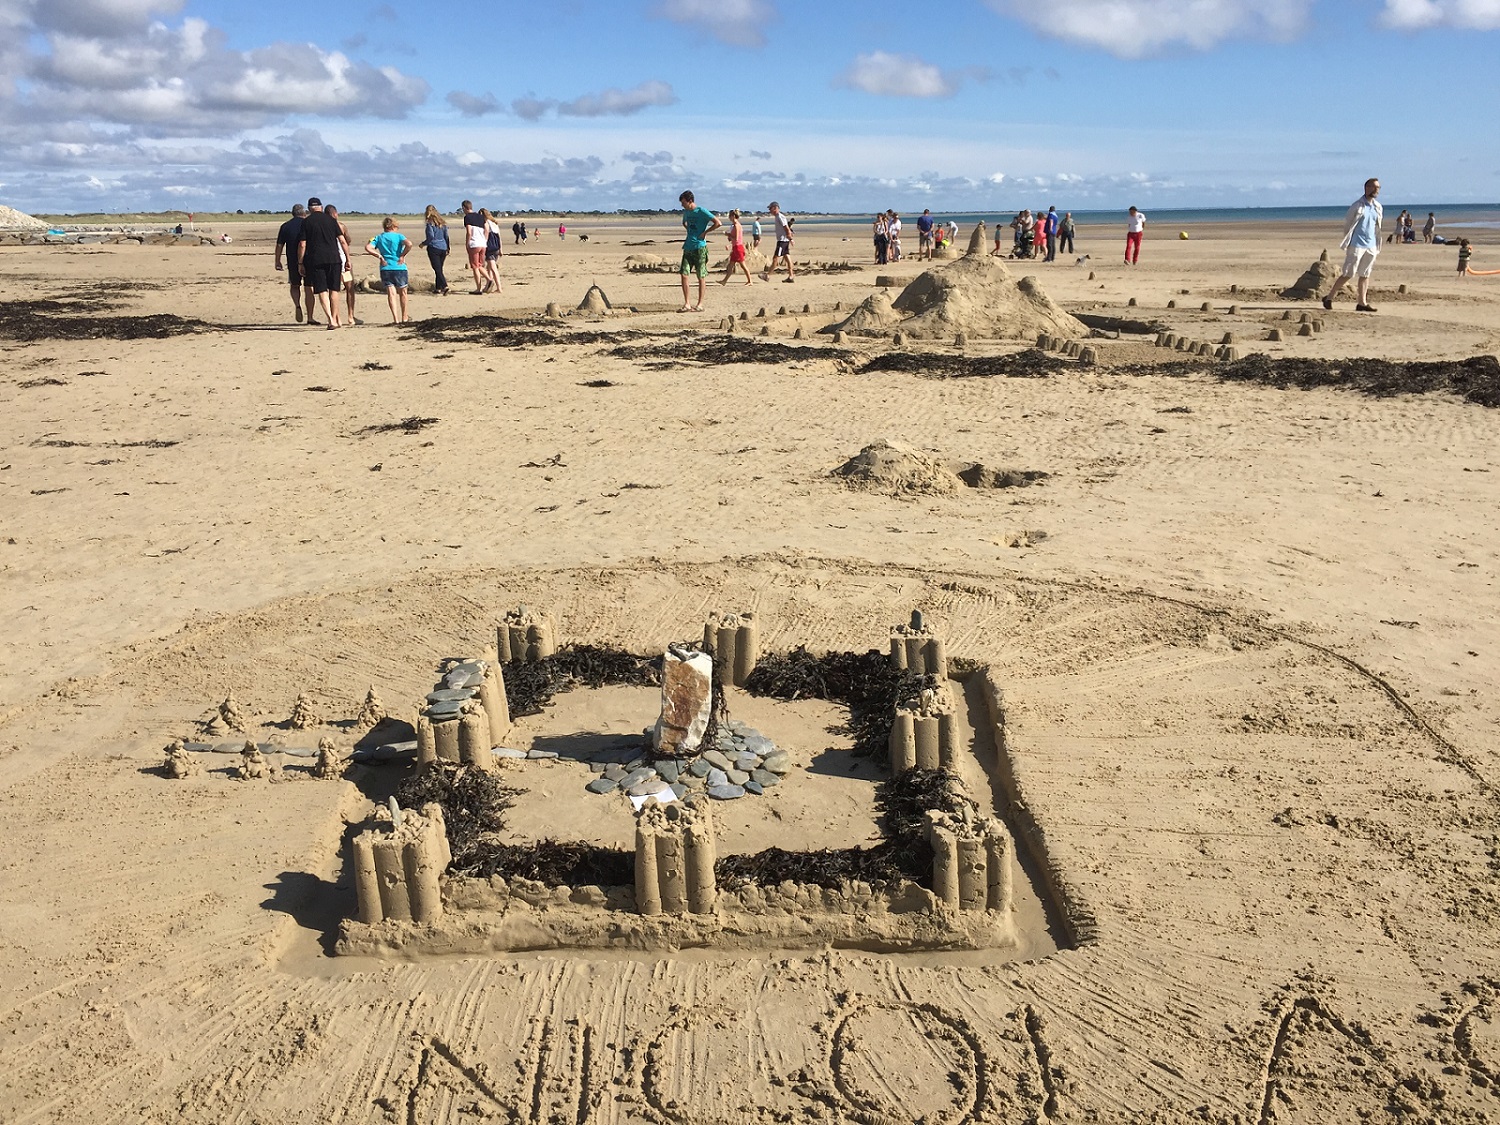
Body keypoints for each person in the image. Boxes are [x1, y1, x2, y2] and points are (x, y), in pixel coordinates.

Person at [1324, 177, 1383, 313]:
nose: (1376, 190)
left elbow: (1377, 226)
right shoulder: (1357, 206)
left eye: (1378, 188)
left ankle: (1362, 303)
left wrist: (1376, 243)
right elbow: (1348, 225)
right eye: (1373, 187)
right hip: (1356, 244)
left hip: (1371, 245)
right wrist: (1349, 241)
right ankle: (1329, 297)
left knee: (1365, 274)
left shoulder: (1378, 207)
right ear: (1366, 188)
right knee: (1348, 273)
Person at [296, 197, 345, 330]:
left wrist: (300, 262)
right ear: (321, 207)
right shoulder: (331, 220)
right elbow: (342, 241)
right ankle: (335, 318)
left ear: (309, 209)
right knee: (334, 290)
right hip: (334, 259)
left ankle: (331, 319)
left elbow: (302, 244)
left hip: (316, 260)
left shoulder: (306, 222)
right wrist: (347, 258)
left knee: (322, 290)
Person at [677, 190, 720, 311]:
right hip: (688, 247)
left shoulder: (701, 211)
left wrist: (705, 232)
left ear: (690, 201)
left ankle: (700, 304)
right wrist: (690, 232)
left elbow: (718, 223)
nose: (682, 205)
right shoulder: (686, 212)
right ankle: (687, 303)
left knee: (701, 275)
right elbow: (684, 223)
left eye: (684, 202)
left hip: (700, 247)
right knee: (684, 274)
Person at [273, 203, 316, 325]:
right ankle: (310, 317)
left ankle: (297, 305)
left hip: (292, 260)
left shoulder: (285, 226)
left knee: (294, 285)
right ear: (304, 213)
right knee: (309, 287)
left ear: (293, 214)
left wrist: (277, 261)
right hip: (308, 259)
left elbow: (279, 245)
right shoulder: (308, 224)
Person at [364, 216, 412, 324]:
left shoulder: (379, 237)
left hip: (386, 267)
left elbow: (368, 247)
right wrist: (402, 255)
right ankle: (404, 317)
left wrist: (379, 256)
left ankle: (395, 318)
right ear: (394, 226)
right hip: (399, 267)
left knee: (391, 293)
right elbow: (409, 244)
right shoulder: (399, 236)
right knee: (403, 292)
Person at [326, 204, 358, 326]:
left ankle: (336, 316)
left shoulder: (324, 226)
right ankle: (350, 316)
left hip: (331, 261)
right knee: (349, 288)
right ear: (335, 214)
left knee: (333, 289)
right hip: (343, 261)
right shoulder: (341, 226)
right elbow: (347, 241)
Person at [420, 204, 450, 296]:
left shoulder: (430, 224)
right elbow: (446, 236)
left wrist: (423, 243)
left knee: (437, 269)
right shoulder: (442, 224)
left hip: (434, 247)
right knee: (439, 268)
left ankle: (444, 286)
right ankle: (438, 288)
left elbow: (431, 237)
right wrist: (448, 247)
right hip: (443, 247)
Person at [719, 209, 753, 286]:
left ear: (733, 216)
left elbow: (736, 238)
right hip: (735, 247)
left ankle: (750, 281)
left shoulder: (737, 226)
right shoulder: (734, 225)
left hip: (738, 247)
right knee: (731, 265)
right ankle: (724, 281)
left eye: (730, 216)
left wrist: (728, 234)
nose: (729, 218)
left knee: (743, 265)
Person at [764, 202, 795, 282]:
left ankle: (768, 275)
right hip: (783, 240)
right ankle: (791, 276)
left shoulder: (780, 217)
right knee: (787, 257)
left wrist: (790, 239)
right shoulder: (777, 217)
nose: (769, 210)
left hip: (782, 241)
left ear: (775, 208)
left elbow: (786, 228)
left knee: (775, 258)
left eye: (770, 208)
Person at [460, 200, 487, 293]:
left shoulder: (467, 217)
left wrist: (467, 243)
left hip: (474, 244)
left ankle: (479, 288)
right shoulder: (480, 217)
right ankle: (489, 279)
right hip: (483, 243)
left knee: (475, 266)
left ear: (464, 208)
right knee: (479, 265)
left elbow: (469, 232)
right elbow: (486, 230)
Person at [481, 208, 503, 294]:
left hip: (490, 247)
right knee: (489, 268)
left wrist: (483, 247)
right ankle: (488, 286)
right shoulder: (494, 224)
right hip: (496, 247)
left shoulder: (485, 224)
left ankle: (499, 287)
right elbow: (499, 238)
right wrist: (501, 249)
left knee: (493, 268)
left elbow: (485, 237)